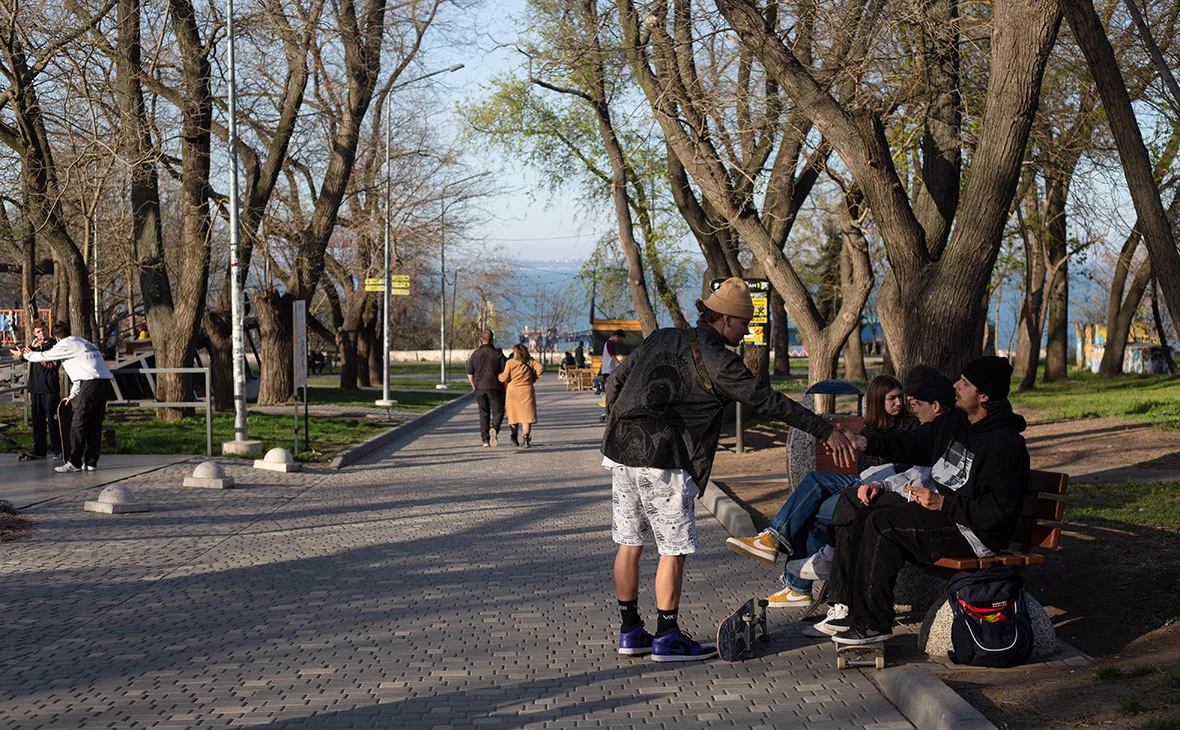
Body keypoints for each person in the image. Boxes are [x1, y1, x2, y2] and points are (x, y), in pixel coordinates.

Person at [602, 277, 857, 662]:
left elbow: (616, 380)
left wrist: (617, 419)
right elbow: (772, 402)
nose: (747, 330)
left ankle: (630, 632)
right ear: (724, 319)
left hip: (621, 451)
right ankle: (667, 637)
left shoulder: (662, 337)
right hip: (664, 460)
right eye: (744, 323)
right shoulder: (721, 362)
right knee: (672, 550)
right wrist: (825, 431)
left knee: (630, 543)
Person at [823, 356, 1029, 646]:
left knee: (883, 524)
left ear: (984, 396)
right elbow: (913, 443)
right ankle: (855, 614)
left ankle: (873, 625)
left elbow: (998, 512)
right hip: (947, 516)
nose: (955, 386)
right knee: (868, 510)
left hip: (975, 534)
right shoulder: (956, 422)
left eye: (965, 383)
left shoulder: (1006, 445)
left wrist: (942, 504)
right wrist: (865, 443)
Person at [724, 374, 914, 606]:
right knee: (814, 497)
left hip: (883, 492)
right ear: (877, 401)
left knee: (815, 495)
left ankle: (786, 566)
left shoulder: (910, 428)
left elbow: (902, 468)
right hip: (863, 486)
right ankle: (791, 577)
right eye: (892, 398)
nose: (899, 403)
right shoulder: (869, 433)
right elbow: (865, 470)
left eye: (899, 397)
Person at [19, 323, 115, 473]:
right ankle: (91, 462)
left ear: (56, 337)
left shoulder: (64, 344)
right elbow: (81, 373)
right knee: (95, 423)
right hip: (104, 383)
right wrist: (72, 395)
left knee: (79, 423)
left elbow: (44, 356)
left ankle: (74, 462)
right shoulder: (82, 342)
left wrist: (26, 355)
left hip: (91, 384)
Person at [9, 319, 62, 461]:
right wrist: (22, 354)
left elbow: (52, 363)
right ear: (34, 332)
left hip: (50, 387)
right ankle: (40, 449)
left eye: (43, 330)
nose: (42, 333)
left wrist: (34, 351)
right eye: (38, 331)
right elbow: (25, 358)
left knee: (52, 419)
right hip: (36, 387)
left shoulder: (54, 345)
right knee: (37, 419)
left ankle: (58, 449)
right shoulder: (33, 345)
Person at [466, 330, 507, 448]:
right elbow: (504, 371)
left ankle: (485, 440)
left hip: (480, 388)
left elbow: (470, 374)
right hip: (495, 387)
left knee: (483, 413)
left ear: (480, 339)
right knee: (498, 411)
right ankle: (494, 428)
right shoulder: (498, 354)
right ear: (492, 339)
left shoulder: (475, 354)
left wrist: (474, 386)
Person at [499, 343, 543, 448]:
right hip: (527, 391)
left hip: (513, 392)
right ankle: (526, 439)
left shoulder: (510, 363)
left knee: (514, 416)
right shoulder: (530, 361)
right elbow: (540, 368)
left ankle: (514, 438)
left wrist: (499, 376)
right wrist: (533, 378)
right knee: (526, 416)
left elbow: (504, 378)